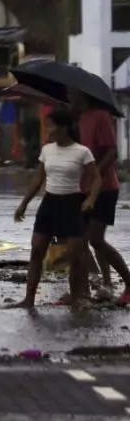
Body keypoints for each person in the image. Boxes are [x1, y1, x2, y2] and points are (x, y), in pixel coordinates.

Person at [10, 108, 101, 311]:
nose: (48, 130)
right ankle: (28, 299)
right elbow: (38, 179)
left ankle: (76, 298)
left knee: (76, 254)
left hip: (72, 204)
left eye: (51, 126)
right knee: (36, 250)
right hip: (50, 203)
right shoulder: (47, 150)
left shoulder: (82, 151)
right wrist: (24, 203)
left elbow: (96, 178)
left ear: (65, 128)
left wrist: (91, 200)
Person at [72, 89, 130, 305]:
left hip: (104, 188)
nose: (69, 95)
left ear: (83, 94)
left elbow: (112, 152)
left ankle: (127, 282)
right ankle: (86, 289)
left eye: (72, 92)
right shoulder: (76, 118)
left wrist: (94, 173)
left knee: (95, 239)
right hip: (80, 188)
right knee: (79, 241)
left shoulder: (101, 116)